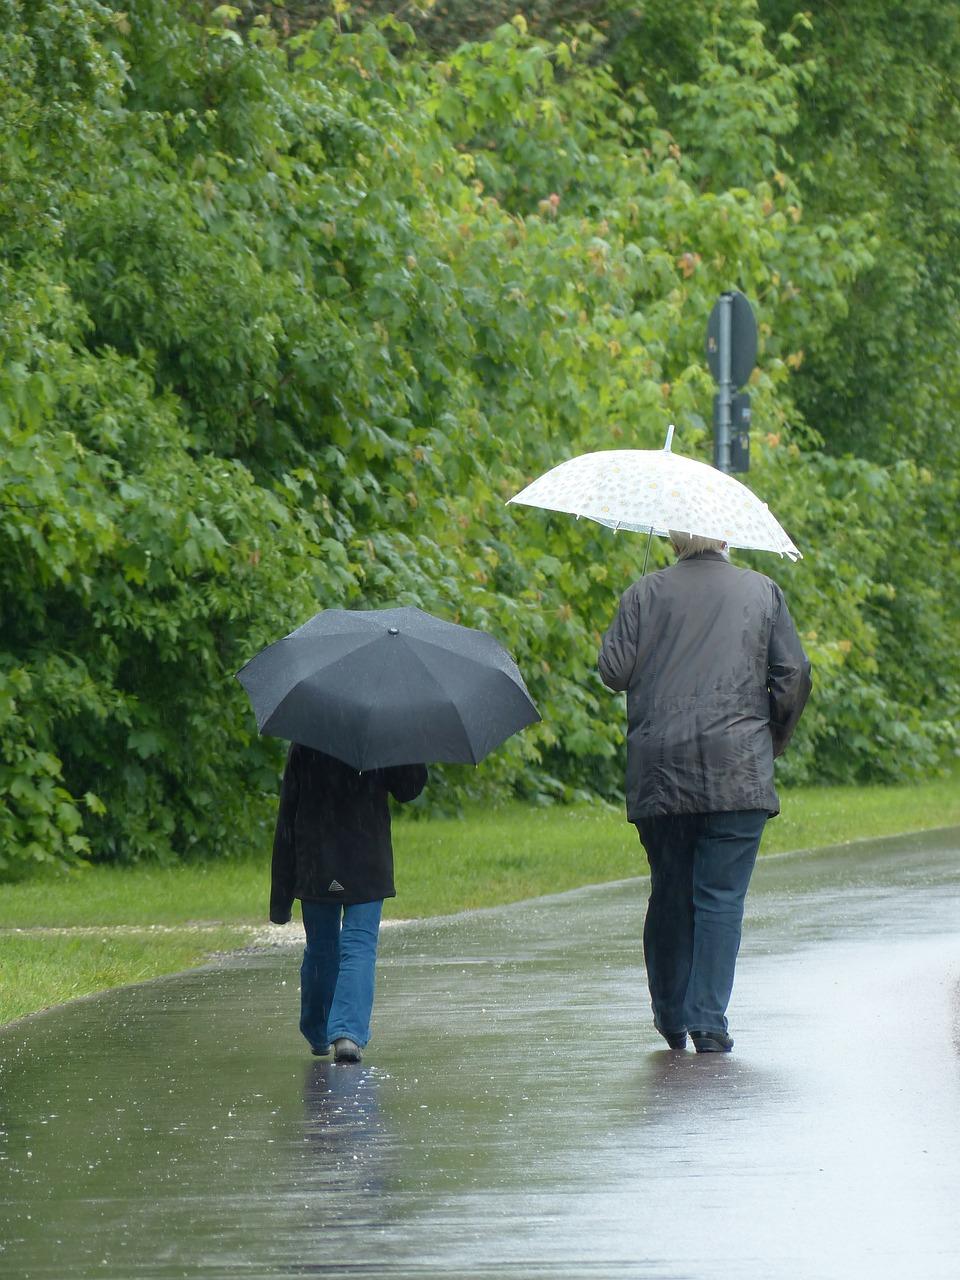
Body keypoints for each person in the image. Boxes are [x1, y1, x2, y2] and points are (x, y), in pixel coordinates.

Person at [598, 531, 811, 1054]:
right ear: (725, 538)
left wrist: (635, 608)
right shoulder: (763, 591)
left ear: (672, 540)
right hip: (739, 770)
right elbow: (794, 674)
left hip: (661, 770)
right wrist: (770, 740)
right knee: (720, 897)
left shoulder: (644, 593)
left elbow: (613, 671)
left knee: (670, 889)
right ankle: (708, 1019)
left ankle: (671, 1015)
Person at [270, 743, 427, 1064]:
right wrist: (411, 747)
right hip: (367, 858)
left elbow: (288, 812)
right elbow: (409, 789)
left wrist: (280, 898)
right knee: (359, 945)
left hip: (316, 858)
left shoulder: (308, 736)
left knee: (322, 947)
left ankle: (317, 1030)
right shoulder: (383, 736)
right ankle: (347, 1035)